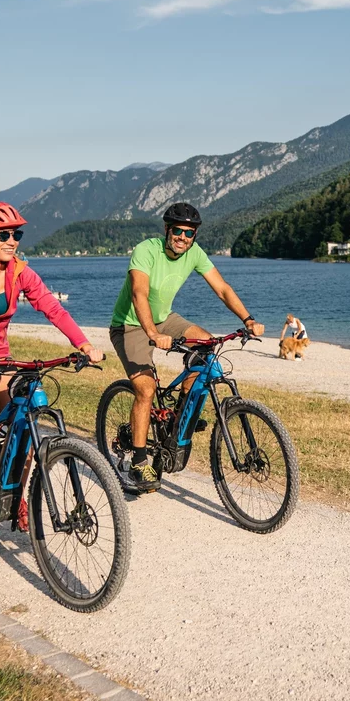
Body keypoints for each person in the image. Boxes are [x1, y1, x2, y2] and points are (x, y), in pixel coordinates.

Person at [0, 201, 103, 528]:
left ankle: (13, 496)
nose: (12, 240)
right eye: (4, 234)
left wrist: (82, 343)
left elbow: (52, 308)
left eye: (17, 234)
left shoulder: (18, 271)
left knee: (25, 419)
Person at [109, 202, 265, 490]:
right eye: (178, 231)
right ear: (167, 230)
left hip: (165, 319)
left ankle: (179, 421)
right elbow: (139, 293)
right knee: (146, 389)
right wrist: (152, 333)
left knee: (206, 345)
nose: (183, 237)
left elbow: (222, 288)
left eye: (189, 233)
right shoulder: (146, 250)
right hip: (129, 324)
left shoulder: (194, 253)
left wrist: (248, 319)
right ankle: (139, 463)